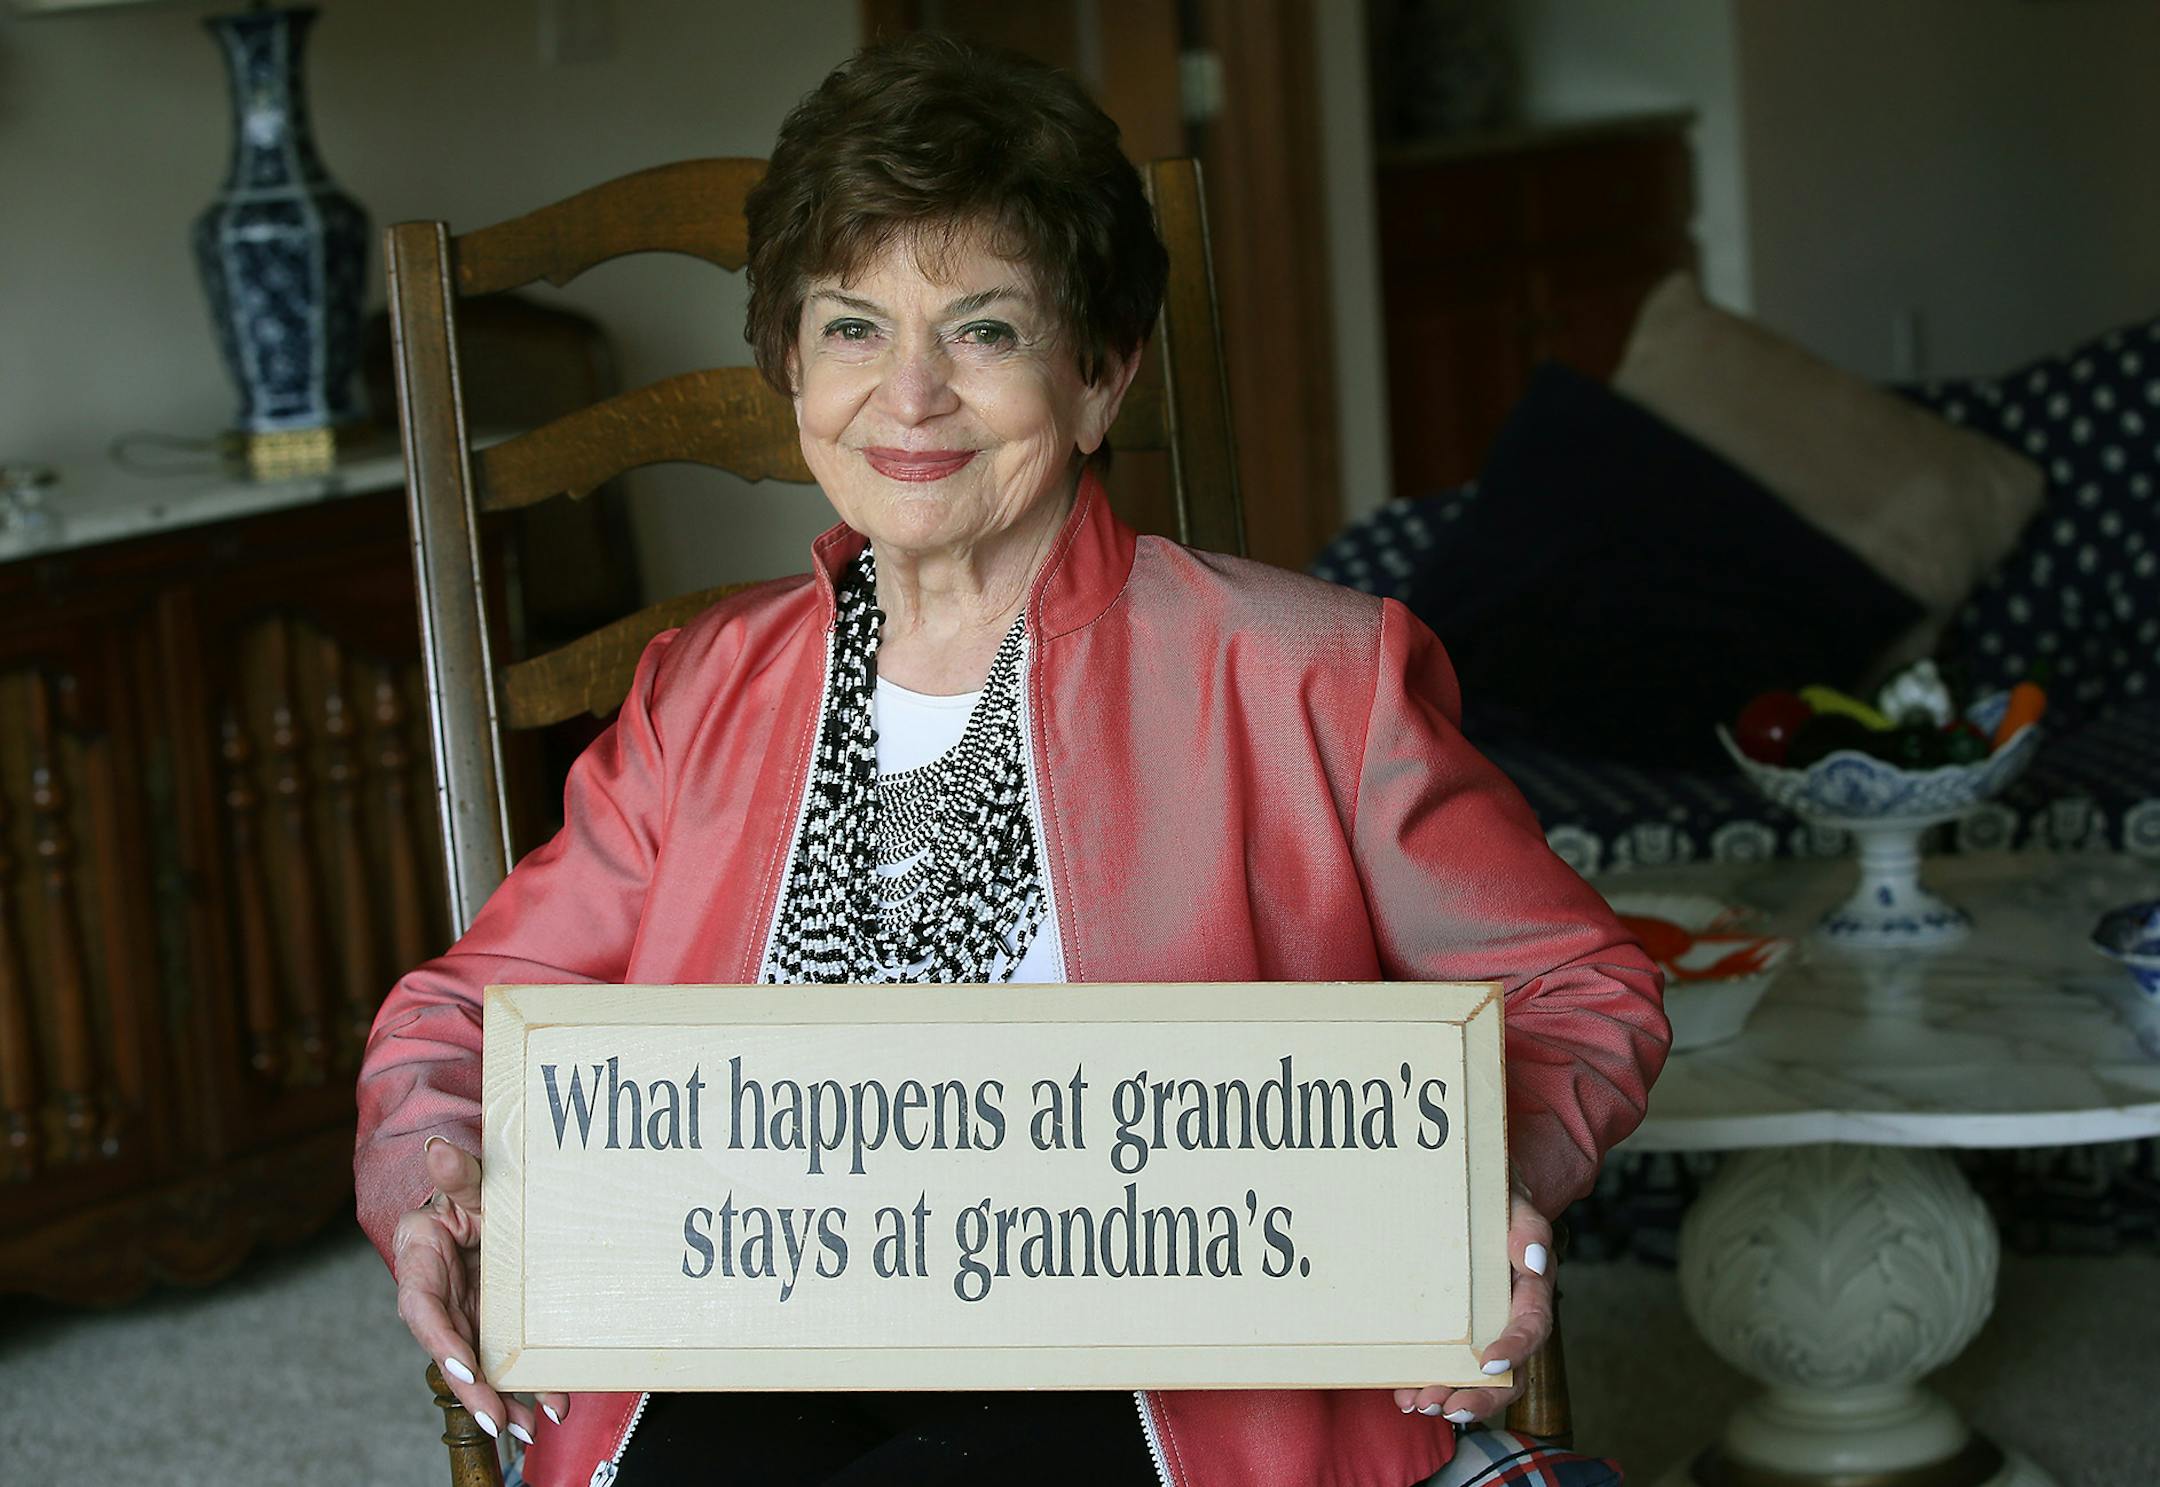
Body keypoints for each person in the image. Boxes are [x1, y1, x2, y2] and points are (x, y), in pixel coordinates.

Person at [356, 33, 1667, 1487]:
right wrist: (438, 1179)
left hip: (1172, 1357)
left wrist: (1493, 1177)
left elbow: (1572, 985)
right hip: (739, 1323)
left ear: (1101, 378)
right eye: (852, 327)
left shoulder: (1316, 672)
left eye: (982, 330)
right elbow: (463, 1019)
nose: (908, 397)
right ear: (790, 365)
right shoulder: (699, 690)